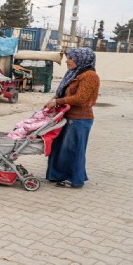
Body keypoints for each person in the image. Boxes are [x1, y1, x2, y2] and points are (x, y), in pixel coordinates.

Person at [44, 47, 100, 188]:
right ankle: (57, 175)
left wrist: (58, 101)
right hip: (65, 115)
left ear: (81, 59)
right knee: (59, 148)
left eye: (70, 58)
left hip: (79, 118)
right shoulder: (74, 73)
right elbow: (62, 92)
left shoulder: (89, 76)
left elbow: (81, 98)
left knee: (73, 149)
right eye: (67, 57)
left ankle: (74, 178)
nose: (67, 61)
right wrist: (53, 99)